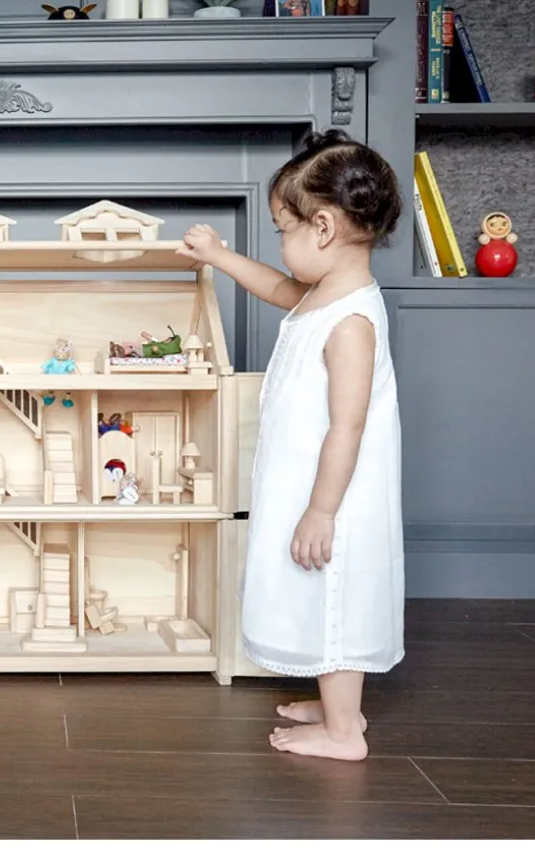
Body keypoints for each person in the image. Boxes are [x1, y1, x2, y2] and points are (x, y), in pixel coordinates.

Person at [178, 128, 404, 761]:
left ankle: (343, 731)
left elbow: (348, 426)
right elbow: (280, 289)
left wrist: (322, 510)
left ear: (323, 228)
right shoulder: (323, 297)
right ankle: (338, 707)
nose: (280, 244)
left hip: (335, 494)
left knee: (336, 598)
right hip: (306, 479)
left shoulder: (351, 322)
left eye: (283, 230)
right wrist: (220, 257)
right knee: (316, 590)